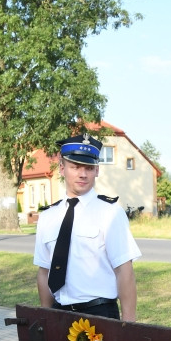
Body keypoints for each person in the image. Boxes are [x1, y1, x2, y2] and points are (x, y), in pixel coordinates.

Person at [34, 133, 140, 321]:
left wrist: (128, 326)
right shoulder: (48, 216)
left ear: (97, 171)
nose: (83, 174)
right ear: (62, 168)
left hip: (100, 314)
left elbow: (125, 271)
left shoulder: (110, 213)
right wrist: (46, 316)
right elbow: (44, 272)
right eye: (75, 167)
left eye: (89, 168)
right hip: (59, 314)